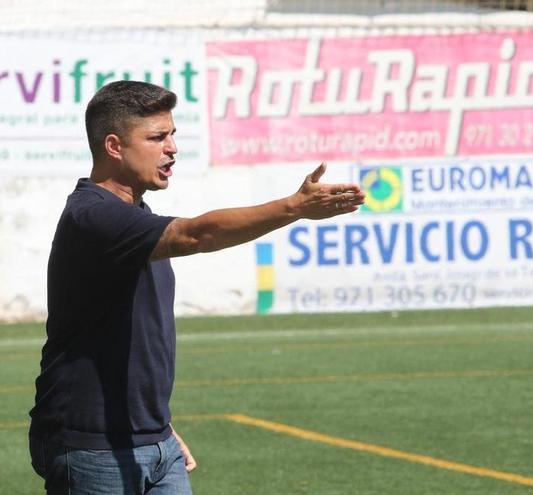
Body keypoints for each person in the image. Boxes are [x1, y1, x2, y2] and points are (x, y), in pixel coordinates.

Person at [28, 80, 365, 495]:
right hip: (93, 447)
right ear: (114, 147)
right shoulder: (92, 217)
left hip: (154, 442)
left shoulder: (134, 216)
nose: (172, 148)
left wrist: (156, 428)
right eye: (156, 137)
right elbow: (196, 235)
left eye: (172, 135)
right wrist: (293, 207)